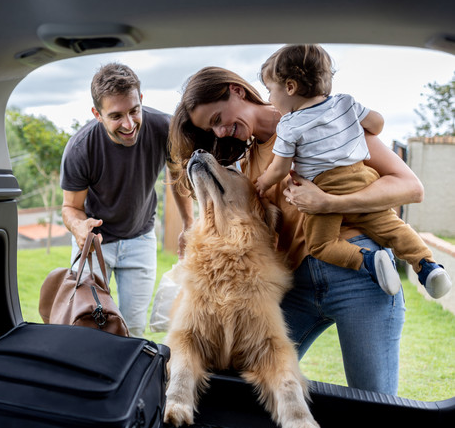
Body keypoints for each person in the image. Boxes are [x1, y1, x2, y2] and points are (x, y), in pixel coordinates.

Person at [168, 65, 422, 395]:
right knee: (243, 385)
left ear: (237, 90)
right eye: (210, 129)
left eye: (217, 119)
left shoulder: (326, 119)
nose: (219, 133)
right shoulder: (247, 162)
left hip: (360, 275)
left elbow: (410, 187)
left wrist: (328, 203)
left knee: (374, 401)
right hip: (297, 285)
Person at [255, 44, 451, 300]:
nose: (270, 99)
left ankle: (369, 261)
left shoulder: (289, 126)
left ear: (290, 87)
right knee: (394, 228)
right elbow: (377, 124)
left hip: (325, 187)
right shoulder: (344, 103)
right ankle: (428, 266)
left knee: (321, 245)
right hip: (363, 179)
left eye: (270, 91)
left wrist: (262, 182)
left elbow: (280, 168)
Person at [60, 62, 194, 338]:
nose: (129, 124)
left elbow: (178, 176)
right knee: (88, 326)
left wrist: (189, 224)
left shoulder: (164, 129)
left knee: (132, 329)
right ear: (97, 113)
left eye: (134, 111)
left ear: (141, 100)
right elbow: (71, 207)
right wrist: (79, 228)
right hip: (95, 243)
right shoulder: (80, 148)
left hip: (140, 239)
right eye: (116, 116)